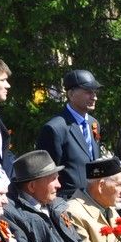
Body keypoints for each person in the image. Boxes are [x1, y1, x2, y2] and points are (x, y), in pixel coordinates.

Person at [36, 69, 104, 197]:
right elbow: (47, 174)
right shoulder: (55, 128)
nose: (94, 97)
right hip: (69, 201)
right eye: (88, 92)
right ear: (71, 94)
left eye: (95, 92)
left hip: (95, 198)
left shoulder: (94, 124)